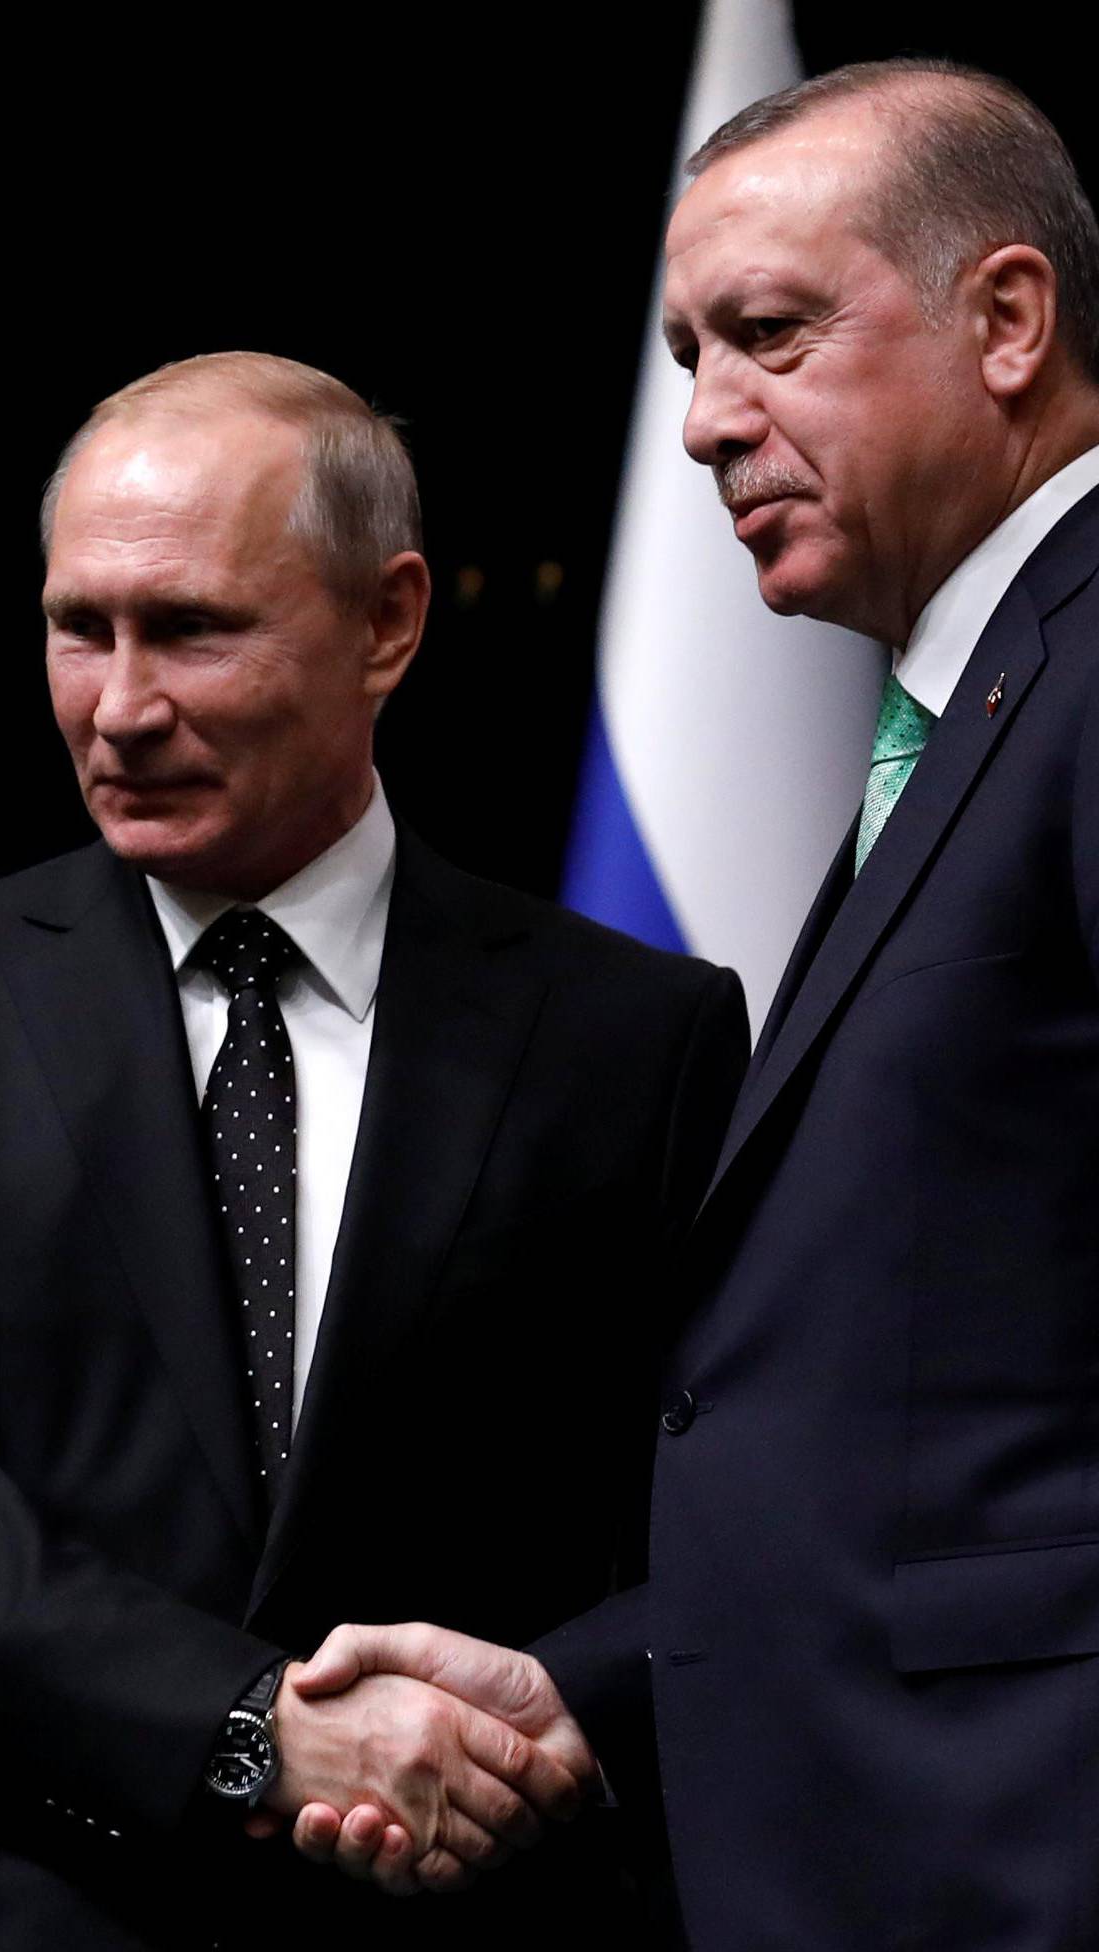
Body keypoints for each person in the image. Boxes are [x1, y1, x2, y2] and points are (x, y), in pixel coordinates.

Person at [0, 351, 748, 1949]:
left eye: (195, 630)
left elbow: (733, 1500)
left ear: (388, 622)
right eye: (83, 629)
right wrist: (253, 1729)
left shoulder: (640, 1037)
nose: (122, 708)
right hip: (14, 1903)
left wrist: (555, 1716)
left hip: (480, 1903)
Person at [290, 61, 1099, 1950]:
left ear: (1006, 320)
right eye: (687, 359)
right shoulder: (969, 709)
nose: (711, 426)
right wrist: (594, 1685)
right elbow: (912, 1413)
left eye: (771, 335)